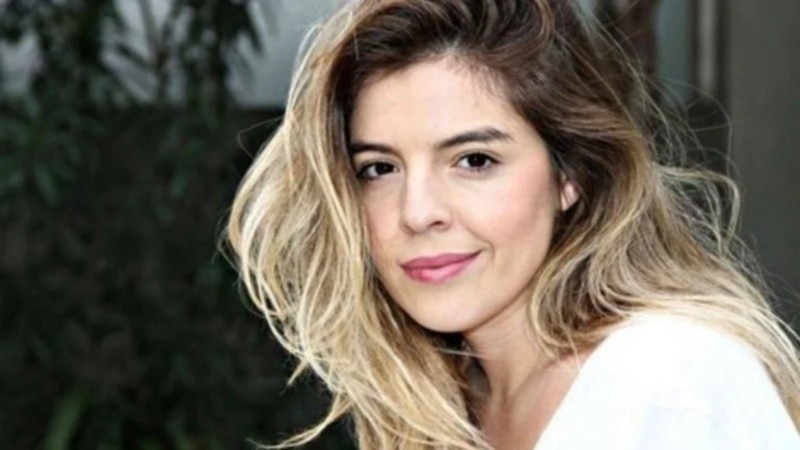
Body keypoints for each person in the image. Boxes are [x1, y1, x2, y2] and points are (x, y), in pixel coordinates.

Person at [224, 0, 800, 448]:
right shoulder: (437, 407)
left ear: (569, 175)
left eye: (474, 160)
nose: (417, 212)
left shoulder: (670, 382)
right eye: (379, 168)